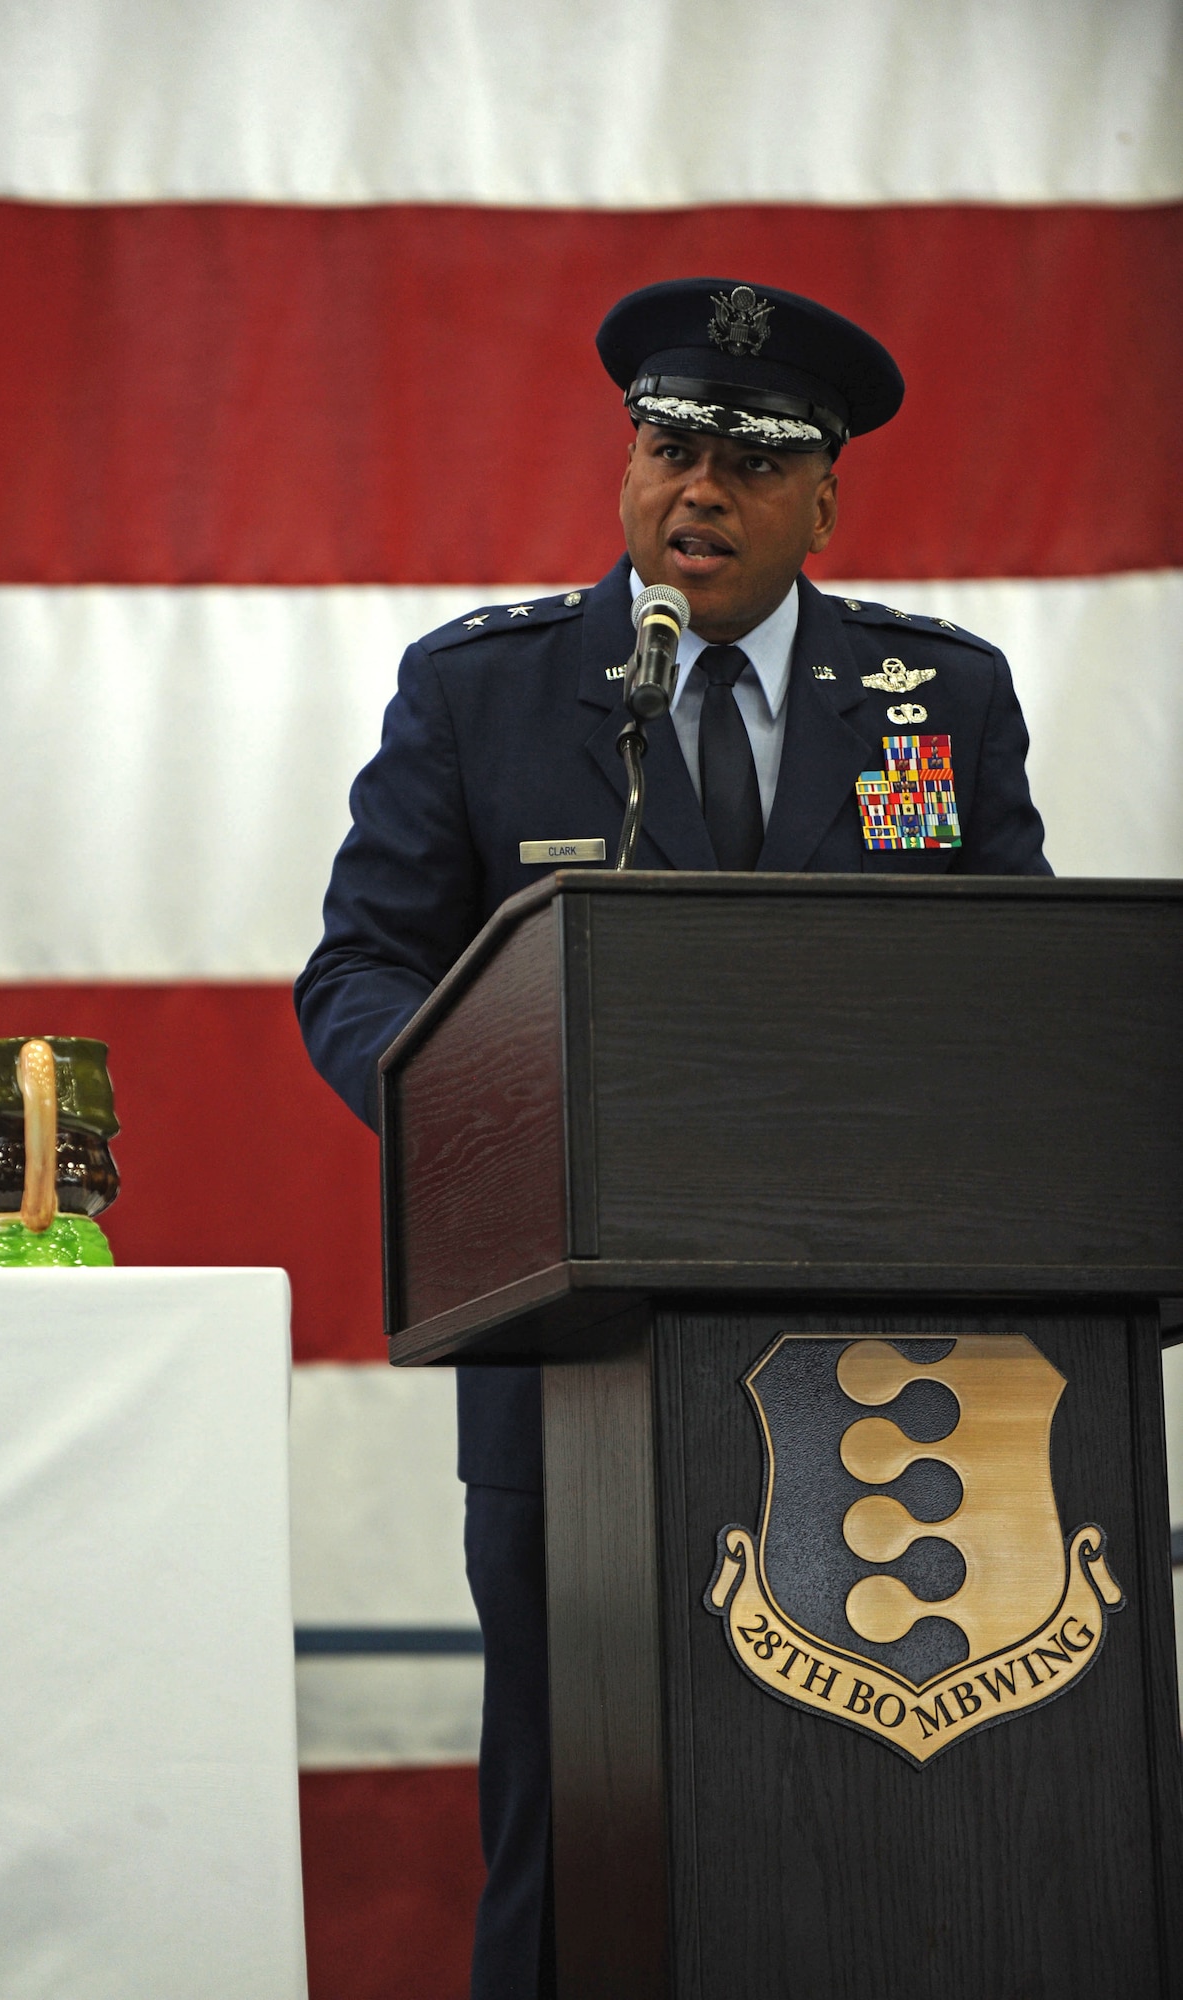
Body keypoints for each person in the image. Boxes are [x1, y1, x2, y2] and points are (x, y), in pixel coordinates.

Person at [294, 277, 1050, 1999]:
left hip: (882, 1354)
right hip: (573, 1365)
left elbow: (1028, 991)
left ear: (825, 496)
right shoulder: (487, 690)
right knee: (577, 1815)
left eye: (748, 462)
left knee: (869, 1801)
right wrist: (488, 1133)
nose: (696, 490)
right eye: (666, 447)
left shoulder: (937, 695)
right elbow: (360, 971)